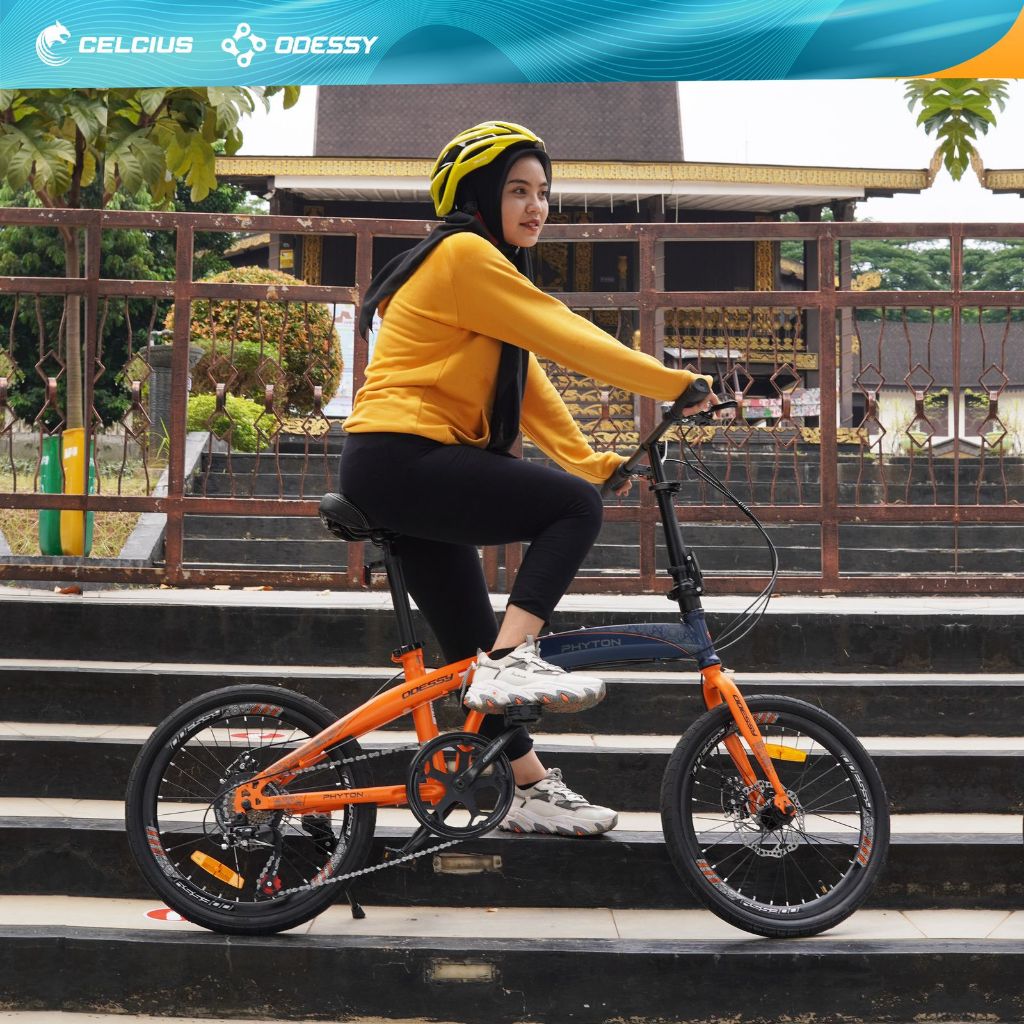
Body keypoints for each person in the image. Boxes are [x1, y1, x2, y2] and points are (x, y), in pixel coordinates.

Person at [340, 121, 716, 837]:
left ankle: (528, 788)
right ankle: (513, 662)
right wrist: (674, 382)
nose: (536, 206)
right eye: (517, 191)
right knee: (569, 511)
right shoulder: (463, 254)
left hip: (397, 468)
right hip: (401, 457)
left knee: (472, 652)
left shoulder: (482, 271)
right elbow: (563, 331)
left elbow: (531, 385)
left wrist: (593, 462)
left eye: (543, 192)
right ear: (478, 197)